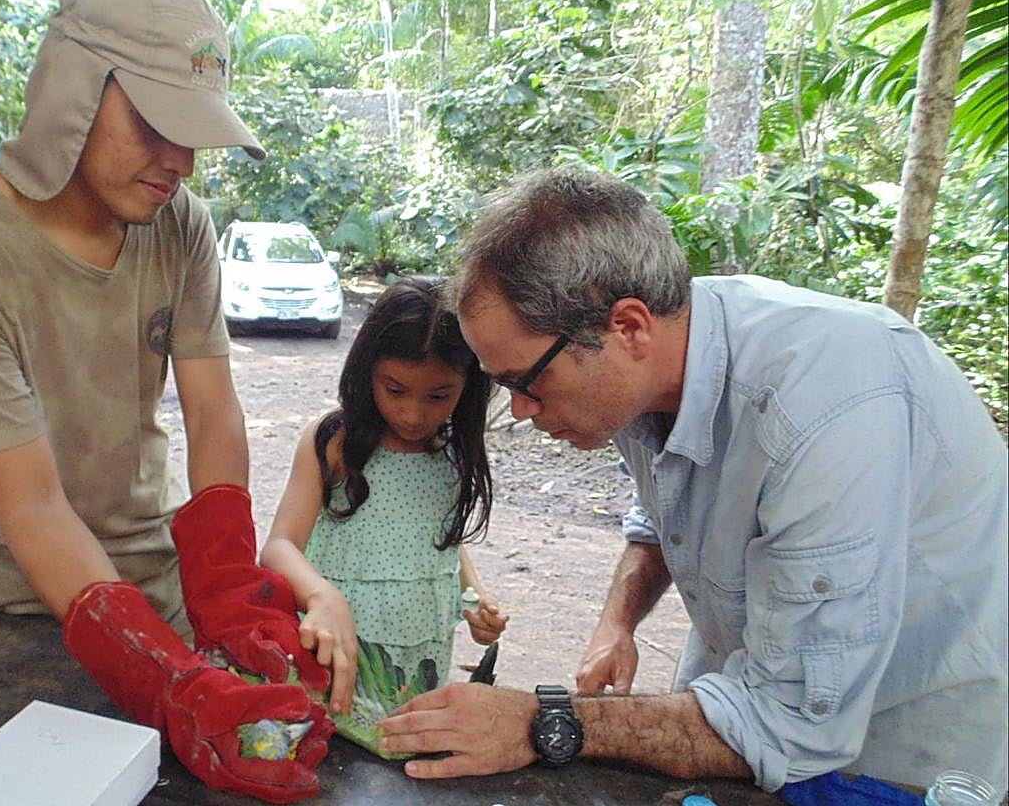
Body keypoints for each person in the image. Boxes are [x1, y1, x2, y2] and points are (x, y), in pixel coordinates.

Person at [377, 168, 1008, 797]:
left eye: (525, 381)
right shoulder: (649, 364)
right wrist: (618, 620)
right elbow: (660, 512)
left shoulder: (826, 407)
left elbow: (788, 724)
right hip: (755, 699)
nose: (519, 410)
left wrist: (543, 720)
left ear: (628, 328)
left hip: (907, 752)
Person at [0, 0, 334, 801]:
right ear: (73, 92)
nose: (182, 162)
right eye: (156, 123)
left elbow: (213, 412)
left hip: (165, 593)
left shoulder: (179, 225)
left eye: (195, 132)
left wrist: (231, 591)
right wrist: (169, 684)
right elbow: (33, 507)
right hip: (24, 620)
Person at [261, 278, 508, 715]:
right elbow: (279, 548)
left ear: (468, 386)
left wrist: (475, 597)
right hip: (335, 649)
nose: (413, 414)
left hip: (422, 650)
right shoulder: (334, 441)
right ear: (366, 370)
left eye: (439, 395)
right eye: (394, 389)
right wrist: (321, 594)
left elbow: (440, 535)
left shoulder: (452, 449)